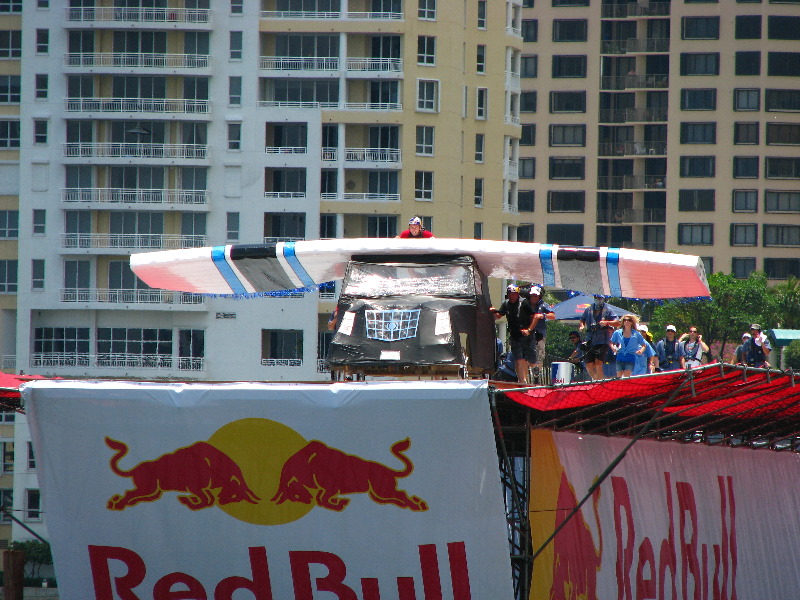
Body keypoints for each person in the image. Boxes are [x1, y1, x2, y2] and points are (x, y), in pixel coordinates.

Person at [490, 284, 537, 384]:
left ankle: (535, 373)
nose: (512, 296)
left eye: (514, 294)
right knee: (518, 359)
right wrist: (492, 312)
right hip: (515, 337)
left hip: (527, 336)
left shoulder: (524, 303)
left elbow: (535, 317)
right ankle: (522, 383)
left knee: (531, 361)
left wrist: (529, 330)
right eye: (510, 294)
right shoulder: (506, 304)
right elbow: (498, 316)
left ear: (517, 294)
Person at [579, 295, 621, 380]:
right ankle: (596, 379)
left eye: (600, 298)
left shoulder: (608, 310)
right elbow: (582, 319)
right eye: (596, 298)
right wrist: (582, 326)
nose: (598, 300)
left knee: (598, 363)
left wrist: (606, 322)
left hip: (602, 340)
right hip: (589, 339)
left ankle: (599, 382)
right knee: (589, 365)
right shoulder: (588, 309)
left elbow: (618, 323)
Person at [526, 285, 555, 383]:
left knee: (539, 356)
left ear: (539, 296)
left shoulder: (543, 305)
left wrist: (543, 315)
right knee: (528, 357)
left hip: (539, 335)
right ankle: (532, 373)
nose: (533, 298)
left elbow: (553, 316)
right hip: (528, 335)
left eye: (535, 296)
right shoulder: (526, 305)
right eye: (532, 296)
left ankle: (537, 375)